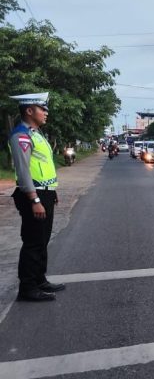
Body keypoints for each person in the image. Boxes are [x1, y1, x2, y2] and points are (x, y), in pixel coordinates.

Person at [8, 92, 65, 302]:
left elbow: (43, 167)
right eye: (43, 109)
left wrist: (52, 192)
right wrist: (35, 200)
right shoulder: (21, 135)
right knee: (33, 242)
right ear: (29, 110)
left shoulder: (37, 133)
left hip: (45, 193)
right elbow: (24, 172)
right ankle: (28, 288)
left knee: (42, 240)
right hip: (33, 195)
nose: (46, 113)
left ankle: (40, 279)